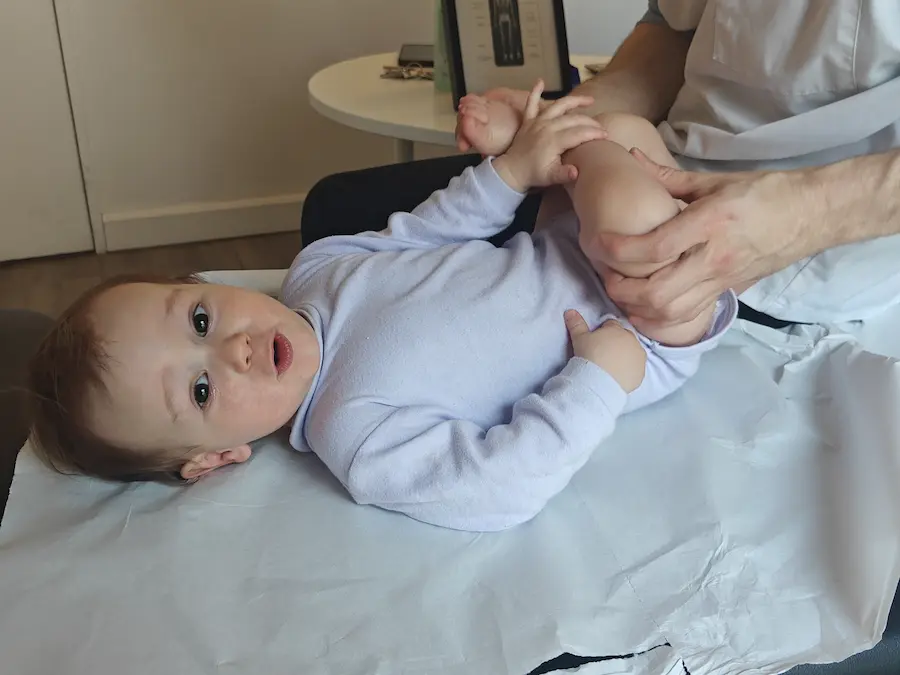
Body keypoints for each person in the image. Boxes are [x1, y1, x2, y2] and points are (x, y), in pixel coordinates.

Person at [27, 87, 736, 532]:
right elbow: (498, 487)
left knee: (622, 125)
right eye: (202, 388)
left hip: (560, 243)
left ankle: (577, 143)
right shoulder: (356, 434)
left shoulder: (317, 270)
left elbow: (429, 229)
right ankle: (586, 144)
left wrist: (509, 174)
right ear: (214, 457)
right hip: (640, 325)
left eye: (202, 320)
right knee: (632, 207)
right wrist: (596, 382)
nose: (232, 348)